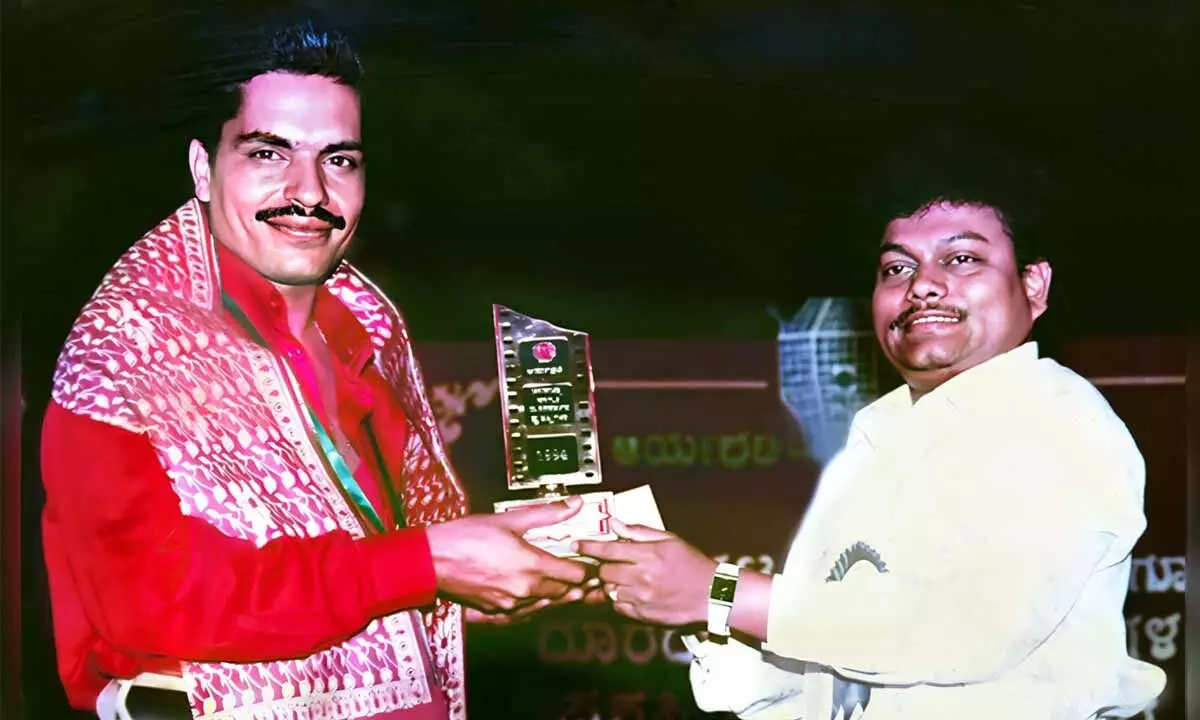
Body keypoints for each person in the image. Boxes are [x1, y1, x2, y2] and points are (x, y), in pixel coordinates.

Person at [40, 20, 591, 720]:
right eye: (269, 153)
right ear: (204, 169)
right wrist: (425, 565)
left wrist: (472, 584)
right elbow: (150, 603)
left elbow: (370, 567)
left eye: (340, 160)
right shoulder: (125, 345)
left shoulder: (364, 324)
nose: (310, 192)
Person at [576, 147, 1168, 718]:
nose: (923, 285)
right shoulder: (877, 437)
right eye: (897, 268)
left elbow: (960, 630)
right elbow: (820, 672)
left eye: (962, 259)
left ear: (1033, 285)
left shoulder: (1057, 419)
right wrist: (660, 585)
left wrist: (718, 591)